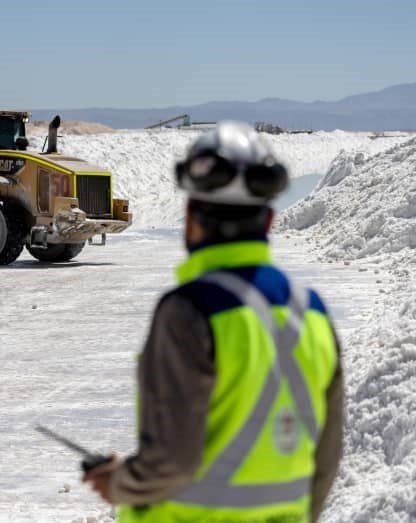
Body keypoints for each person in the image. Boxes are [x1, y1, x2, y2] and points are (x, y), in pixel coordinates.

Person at [83, 122, 345, 522]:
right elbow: (325, 460)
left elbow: (172, 463)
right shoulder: (313, 312)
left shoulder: (188, 312)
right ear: (269, 222)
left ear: (190, 217)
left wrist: (120, 482)